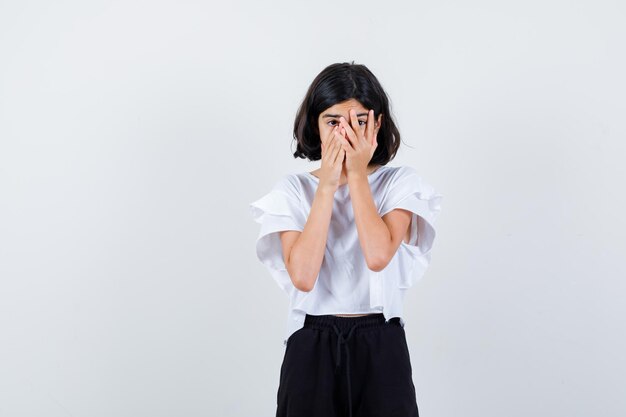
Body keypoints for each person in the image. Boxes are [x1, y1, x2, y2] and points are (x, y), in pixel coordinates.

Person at [249, 62, 443, 417]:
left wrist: (356, 173)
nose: (346, 133)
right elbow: (303, 277)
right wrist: (326, 183)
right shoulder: (292, 191)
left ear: (377, 124)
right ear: (316, 126)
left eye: (359, 121)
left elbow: (378, 254)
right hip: (311, 340)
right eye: (333, 122)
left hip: (381, 338)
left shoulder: (400, 184)